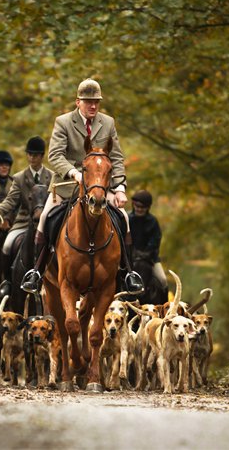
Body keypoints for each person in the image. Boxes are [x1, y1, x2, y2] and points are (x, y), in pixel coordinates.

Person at [20, 78, 144, 294]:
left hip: (99, 186)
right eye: (88, 102)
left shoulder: (108, 123)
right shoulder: (63, 122)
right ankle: (37, 272)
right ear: (78, 102)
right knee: (44, 219)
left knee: (124, 218)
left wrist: (121, 188)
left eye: (96, 101)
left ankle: (128, 272)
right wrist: (74, 172)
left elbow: (115, 158)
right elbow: (55, 155)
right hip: (67, 186)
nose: (93, 106)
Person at [0, 137, 53, 297]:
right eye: (29, 154)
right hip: (25, 222)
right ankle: (7, 282)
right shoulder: (19, 177)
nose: (32, 158)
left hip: (47, 223)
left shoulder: (52, 176)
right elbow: (11, 200)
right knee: (7, 245)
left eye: (36, 155)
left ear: (41, 156)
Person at [128, 190, 167, 290]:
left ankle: (165, 305)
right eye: (137, 206)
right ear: (133, 205)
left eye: (143, 207)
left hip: (149, 258)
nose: (139, 209)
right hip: (128, 258)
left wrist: (146, 253)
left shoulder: (153, 221)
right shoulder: (126, 219)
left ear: (148, 207)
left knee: (163, 280)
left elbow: (155, 241)